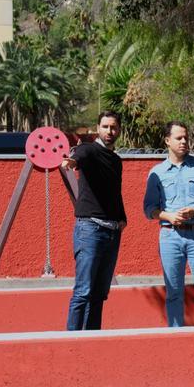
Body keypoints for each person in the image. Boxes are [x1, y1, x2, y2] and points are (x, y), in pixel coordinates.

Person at [143, 121, 194, 327]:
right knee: (173, 293)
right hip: (170, 236)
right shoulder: (157, 172)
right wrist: (168, 216)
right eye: (179, 138)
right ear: (167, 140)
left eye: (186, 137)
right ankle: (176, 337)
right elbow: (149, 209)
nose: (184, 141)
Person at [62, 111, 127, 330]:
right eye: (106, 126)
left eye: (114, 127)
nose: (110, 131)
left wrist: (121, 218)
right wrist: (72, 161)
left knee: (99, 294)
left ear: (119, 130)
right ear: (97, 128)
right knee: (83, 291)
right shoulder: (88, 149)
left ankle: (91, 341)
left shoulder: (116, 161)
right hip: (90, 229)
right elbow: (79, 155)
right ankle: (71, 343)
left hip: (112, 232)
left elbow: (114, 192)